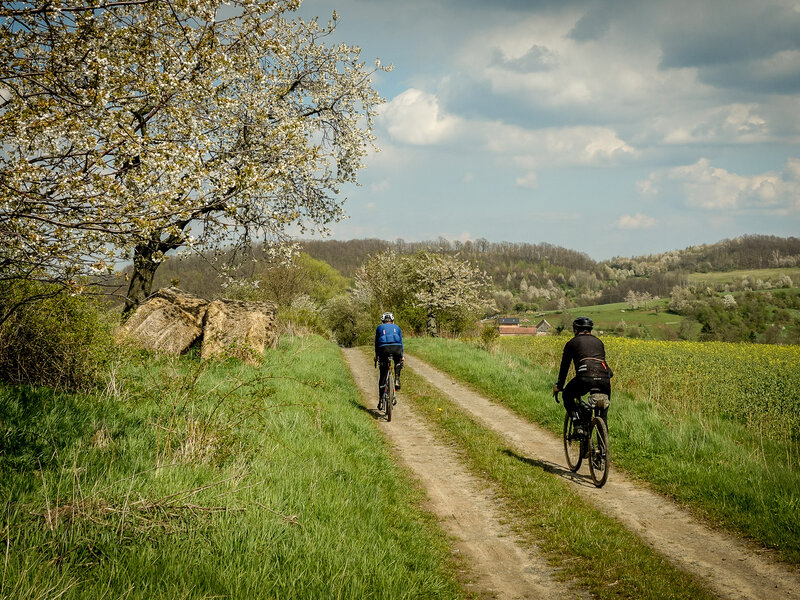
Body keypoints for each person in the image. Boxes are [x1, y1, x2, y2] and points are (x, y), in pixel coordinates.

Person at [552, 316, 612, 434]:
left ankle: (577, 424)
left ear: (575, 330)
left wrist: (559, 386)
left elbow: (564, 367)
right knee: (603, 413)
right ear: (590, 330)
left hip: (585, 378)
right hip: (604, 379)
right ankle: (604, 446)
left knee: (567, 395)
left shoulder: (571, 343)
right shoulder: (599, 342)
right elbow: (605, 366)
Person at [374, 312, 404, 406]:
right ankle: (397, 378)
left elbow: (376, 344)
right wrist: (402, 356)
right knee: (397, 361)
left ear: (382, 321)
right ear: (393, 321)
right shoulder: (397, 328)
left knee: (383, 373)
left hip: (383, 349)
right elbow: (401, 343)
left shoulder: (379, 328)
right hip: (397, 348)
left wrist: (376, 356)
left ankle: (380, 400)